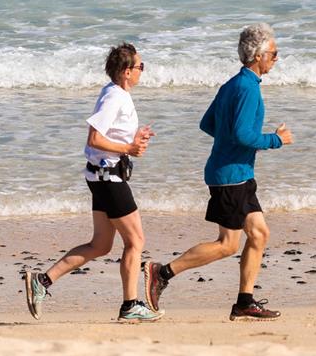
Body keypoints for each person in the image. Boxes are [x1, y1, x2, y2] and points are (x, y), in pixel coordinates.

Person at [141, 23, 293, 321]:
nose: (277, 59)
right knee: (227, 244)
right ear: (259, 55)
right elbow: (243, 135)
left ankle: (244, 302)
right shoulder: (247, 88)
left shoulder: (233, 84)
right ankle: (162, 273)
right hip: (230, 177)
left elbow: (208, 124)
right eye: (274, 54)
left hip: (238, 173)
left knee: (259, 234)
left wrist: (230, 144)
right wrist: (277, 140)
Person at [23, 42, 163, 323]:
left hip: (102, 175)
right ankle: (130, 305)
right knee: (135, 241)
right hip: (108, 178)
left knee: (100, 245)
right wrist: (129, 149)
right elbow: (94, 139)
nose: (142, 72)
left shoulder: (116, 93)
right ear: (126, 71)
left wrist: (134, 139)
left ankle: (42, 281)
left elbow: (108, 136)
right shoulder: (115, 97)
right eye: (140, 66)